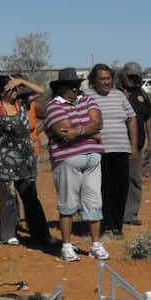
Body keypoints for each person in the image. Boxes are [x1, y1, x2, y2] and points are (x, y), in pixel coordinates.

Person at [41, 68, 108, 262]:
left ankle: (96, 244)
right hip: (66, 160)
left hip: (92, 158)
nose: (74, 89)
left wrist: (77, 132)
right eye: (70, 86)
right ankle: (67, 246)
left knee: (94, 202)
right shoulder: (53, 106)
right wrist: (90, 132)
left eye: (77, 85)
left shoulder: (87, 99)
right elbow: (63, 132)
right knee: (68, 203)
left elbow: (98, 122)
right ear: (60, 87)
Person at [0, 74, 49, 246]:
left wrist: (22, 81)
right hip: (6, 162)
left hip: (26, 160)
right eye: (12, 88)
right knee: (8, 198)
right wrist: (4, 147)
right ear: (3, 91)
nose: (16, 91)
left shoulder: (22, 104)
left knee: (31, 198)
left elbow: (42, 90)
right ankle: (8, 234)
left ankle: (40, 234)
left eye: (17, 88)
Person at [85, 63, 137, 236]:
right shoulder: (87, 96)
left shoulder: (119, 95)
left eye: (109, 78)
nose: (107, 82)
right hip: (100, 150)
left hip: (121, 148)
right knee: (104, 189)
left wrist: (134, 145)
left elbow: (132, 119)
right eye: (102, 79)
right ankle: (105, 225)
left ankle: (117, 226)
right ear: (94, 81)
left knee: (122, 188)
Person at [120, 69, 151, 226]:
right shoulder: (115, 93)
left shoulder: (142, 95)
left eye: (136, 77)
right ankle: (114, 213)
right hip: (117, 144)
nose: (133, 80)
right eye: (130, 77)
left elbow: (148, 118)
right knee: (117, 179)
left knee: (135, 178)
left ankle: (130, 214)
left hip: (137, 144)